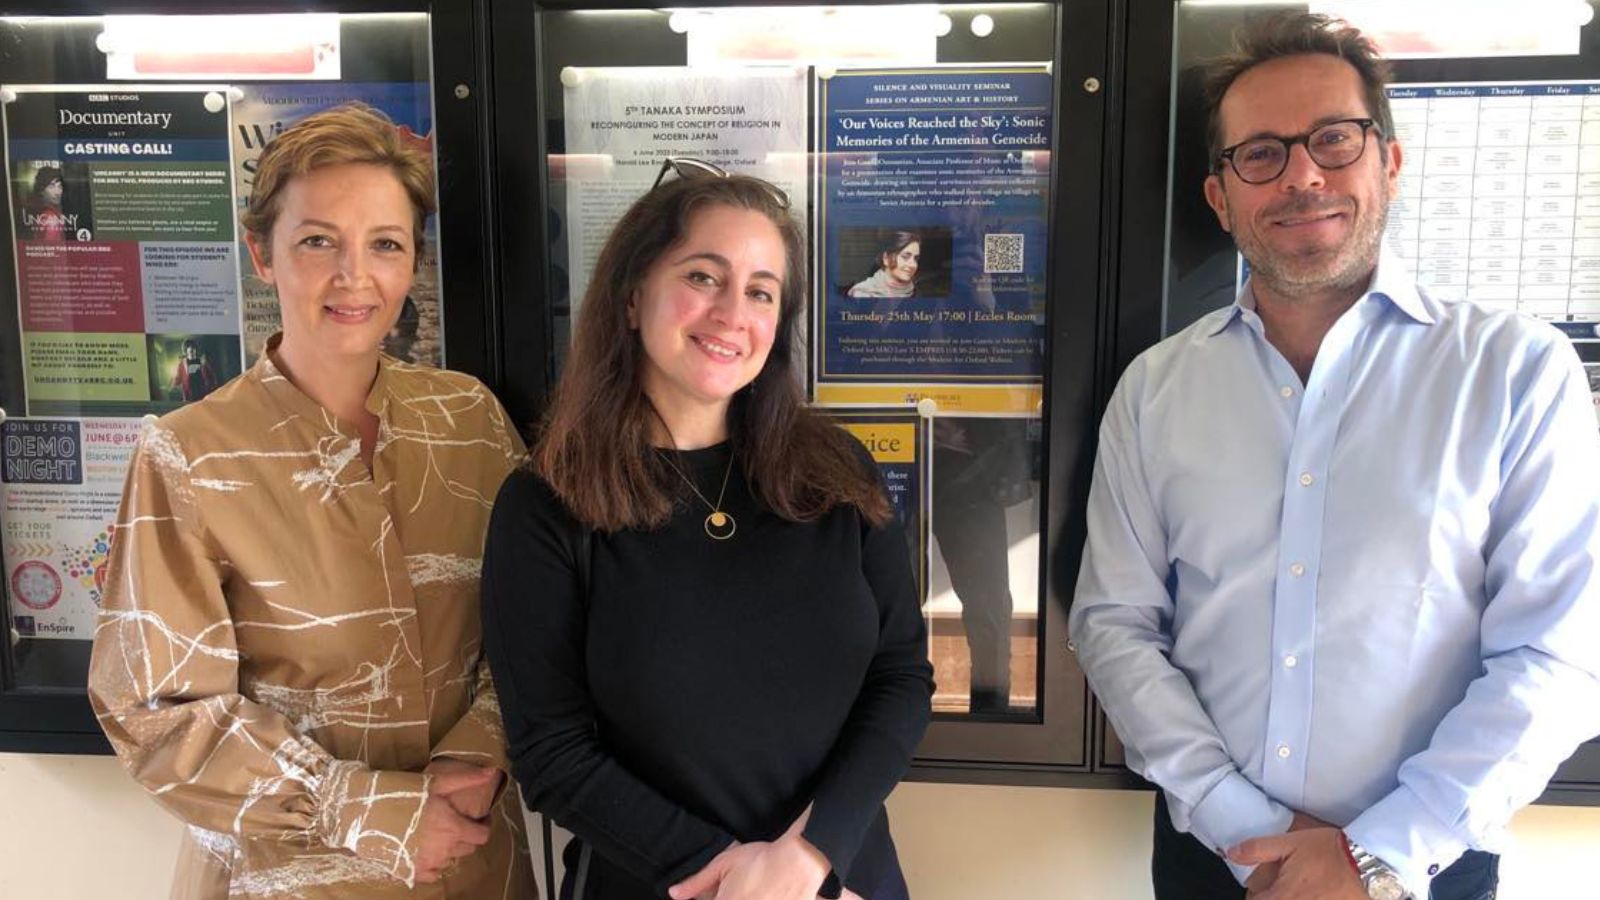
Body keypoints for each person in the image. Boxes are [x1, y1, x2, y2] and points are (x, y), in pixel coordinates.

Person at [1069, 13, 1600, 900]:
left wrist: (1376, 853)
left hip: (1427, 863)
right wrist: (1247, 826)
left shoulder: (1514, 372)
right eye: (1262, 154)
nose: (1303, 175)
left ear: (1388, 163)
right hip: (1215, 862)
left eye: (1333, 139)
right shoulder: (1155, 390)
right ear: (1221, 197)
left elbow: (1557, 653)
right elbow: (1114, 624)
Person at [88, 103, 535, 899]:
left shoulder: (471, 422)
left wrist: (480, 752)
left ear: (412, 263)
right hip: (285, 878)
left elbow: (536, 624)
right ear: (263, 253)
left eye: (385, 245)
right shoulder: (189, 453)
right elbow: (157, 712)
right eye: (318, 241)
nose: (353, 277)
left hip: (473, 864)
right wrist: (371, 810)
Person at [482, 157, 933, 900]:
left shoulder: (836, 473)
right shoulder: (547, 504)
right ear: (632, 296)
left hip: (840, 879)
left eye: (761, 291)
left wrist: (810, 858)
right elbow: (551, 753)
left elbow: (901, 677)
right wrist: (738, 881)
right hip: (654, 884)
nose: (732, 313)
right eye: (702, 277)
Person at [847, 231, 921, 298]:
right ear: (886, 258)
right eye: (905, 257)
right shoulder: (863, 293)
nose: (913, 265)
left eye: (916, 258)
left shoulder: (915, 291)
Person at [23, 165, 68, 241]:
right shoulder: (51, 220)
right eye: (51, 186)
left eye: (60, 186)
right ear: (41, 190)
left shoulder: (49, 212)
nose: (57, 192)